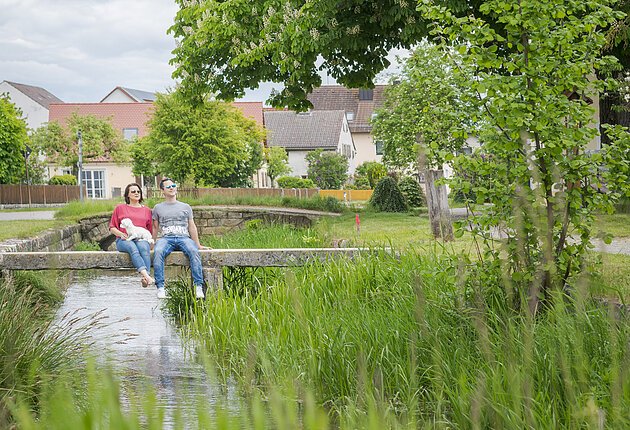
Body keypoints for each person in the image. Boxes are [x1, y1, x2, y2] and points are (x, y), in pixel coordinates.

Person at [152, 178, 207, 299]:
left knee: (193, 251)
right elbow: (155, 228)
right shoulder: (157, 208)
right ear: (162, 191)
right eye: (168, 187)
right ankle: (160, 287)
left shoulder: (186, 207)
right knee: (158, 251)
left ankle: (198, 286)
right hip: (166, 238)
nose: (171, 188)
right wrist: (152, 243)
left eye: (173, 185)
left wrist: (198, 244)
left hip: (184, 238)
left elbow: (192, 226)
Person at [109, 183, 154, 287]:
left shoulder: (147, 210)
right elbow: (112, 227)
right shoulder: (120, 208)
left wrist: (150, 243)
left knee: (143, 248)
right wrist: (121, 234)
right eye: (133, 191)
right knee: (133, 248)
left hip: (141, 239)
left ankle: (145, 278)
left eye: (138, 191)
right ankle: (147, 276)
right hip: (124, 239)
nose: (136, 193)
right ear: (127, 195)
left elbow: (149, 229)